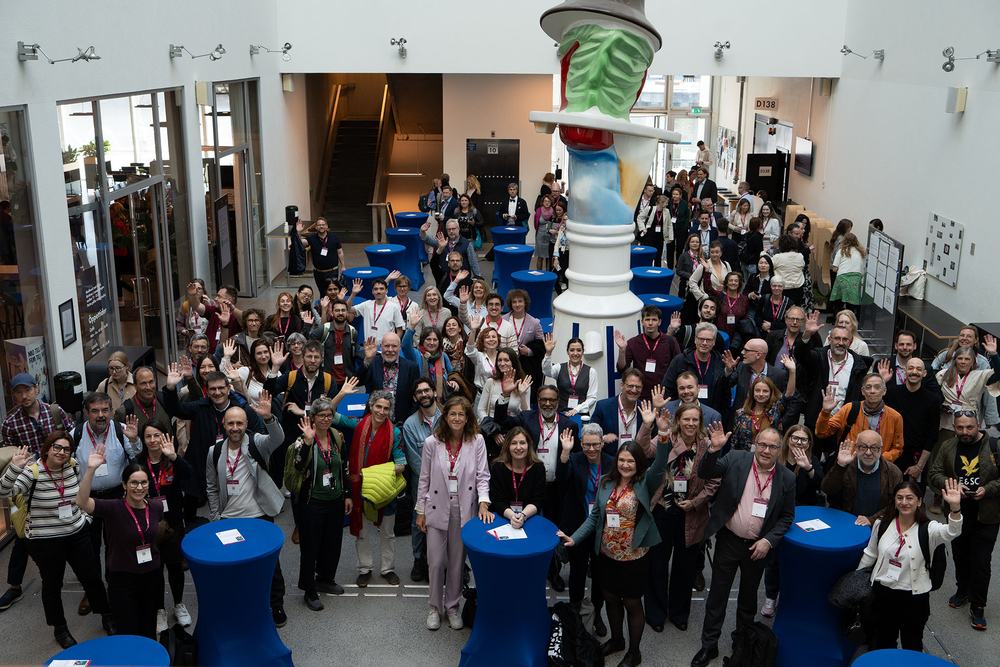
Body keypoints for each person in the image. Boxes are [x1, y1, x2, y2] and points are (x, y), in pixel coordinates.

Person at [557, 411, 674, 667]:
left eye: (631, 461)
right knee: (610, 598)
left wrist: (663, 433)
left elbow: (661, 464)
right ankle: (617, 639)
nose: (625, 465)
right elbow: (594, 517)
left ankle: (634, 652)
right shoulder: (607, 483)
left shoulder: (645, 481)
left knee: (631, 602)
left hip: (633, 555)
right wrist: (574, 539)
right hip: (606, 553)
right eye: (622, 460)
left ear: (638, 463)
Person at [690, 427, 796, 667]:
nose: (766, 450)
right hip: (728, 540)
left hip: (757, 548)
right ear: (755, 444)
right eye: (762, 445)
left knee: (748, 600)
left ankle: (742, 644)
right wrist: (714, 449)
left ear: (779, 450)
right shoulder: (736, 458)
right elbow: (706, 472)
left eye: (772, 447)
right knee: (717, 595)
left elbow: (787, 517)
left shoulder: (787, 478)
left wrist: (768, 541)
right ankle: (709, 645)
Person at [0, 432, 115, 648]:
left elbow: (82, 493)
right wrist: (15, 467)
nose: (62, 452)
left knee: (92, 577)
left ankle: (107, 616)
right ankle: (60, 628)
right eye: (57, 447)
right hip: (45, 541)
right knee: (52, 584)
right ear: (47, 448)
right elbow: (3, 491)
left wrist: (86, 519)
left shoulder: (72, 466)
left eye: (66, 449)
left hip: (76, 534)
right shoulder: (32, 472)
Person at [204, 396, 287, 626]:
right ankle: (239, 603)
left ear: (245, 425)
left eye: (239, 423)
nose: (235, 428)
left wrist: (268, 417)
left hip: (259, 515)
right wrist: (215, 516)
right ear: (224, 424)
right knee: (233, 564)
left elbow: (278, 438)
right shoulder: (215, 451)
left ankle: (276, 604)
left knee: (270, 562)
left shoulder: (256, 442)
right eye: (231, 424)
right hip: (229, 518)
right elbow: (211, 486)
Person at [416, 396, 493, 631]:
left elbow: (483, 475)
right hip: (437, 506)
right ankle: (434, 607)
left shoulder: (477, 440)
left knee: (458, 563)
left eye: (461, 414)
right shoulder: (432, 442)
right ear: (445, 417)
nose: (457, 418)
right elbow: (424, 479)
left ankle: (452, 607)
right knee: (437, 562)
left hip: (464, 506)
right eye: (452, 414)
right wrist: (420, 511)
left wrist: (483, 502)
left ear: (467, 417)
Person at [643, 403, 721, 634]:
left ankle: (679, 613)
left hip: (691, 514)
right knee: (657, 563)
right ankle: (656, 613)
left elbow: (714, 481)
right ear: (678, 420)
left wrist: (696, 502)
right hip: (662, 510)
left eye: (695, 420)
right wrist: (650, 427)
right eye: (686, 419)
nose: (690, 424)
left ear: (700, 423)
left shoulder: (707, 445)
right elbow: (642, 450)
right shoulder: (666, 438)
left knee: (684, 567)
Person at [858, 480, 963, 650]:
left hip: (914, 599)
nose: (904, 502)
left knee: (912, 644)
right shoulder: (881, 524)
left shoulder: (929, 529)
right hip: (883, 595)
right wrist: (857, 582)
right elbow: (870, 554)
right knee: (884, 642)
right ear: (894, 500)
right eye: (899, 498)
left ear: (920, 501)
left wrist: (955, 507)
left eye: (909, 498)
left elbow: (953, 532)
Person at [494, 384, 580, 591]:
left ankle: (554, 571)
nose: (547, 403)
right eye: (543, 400)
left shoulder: (570, 425)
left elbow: (574, 459)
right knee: (523, 529)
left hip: (557, 488)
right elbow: (502, 421)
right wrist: (505, 395)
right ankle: (524, 569)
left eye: (551, 400)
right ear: (538, 402)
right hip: (528, 487)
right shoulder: (527, 418)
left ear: (558, 402)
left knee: (552, 532)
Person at [161, 362, 266, 526]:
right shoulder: (201, 406)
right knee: (191, 504)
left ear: (229, 388)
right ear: (207, 391)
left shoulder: (242, 409)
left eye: (221, 388)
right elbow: (177, 409)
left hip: (233, 465)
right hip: (201, 462)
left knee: (229, 505)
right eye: (212, 389)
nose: (217, 393)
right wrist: (169, 388)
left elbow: (259, 434)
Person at [77, 445, 163, 639]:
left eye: (143, 483)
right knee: (127, 630)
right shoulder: (112, 508)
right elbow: (82, 502)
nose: (139, 487)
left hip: (151, 576)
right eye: (133, 483)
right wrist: (90, 470)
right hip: (123, 579)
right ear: (124, 485)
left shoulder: (156, 507)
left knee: (149, 627)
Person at [330, 379, 405, 587]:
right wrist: (342, 394)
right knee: (362, 533)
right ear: (370, 406)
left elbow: (401, 464)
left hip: (384, 489)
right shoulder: (357, 425)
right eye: (378, 406)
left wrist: (375, 474)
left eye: (386, 408)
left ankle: (388, 569)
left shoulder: (395, 433)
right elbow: (330, 413)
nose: (382, 411)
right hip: (358, 489)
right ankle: (365, 568)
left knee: (388, 533)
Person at [928, 411, 998, 630]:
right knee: (960, 554)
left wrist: (987, 489)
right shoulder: (948, 446)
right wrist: (952, 485)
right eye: (960, 428)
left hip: (986, 515)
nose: (964, 432)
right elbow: (935, 473)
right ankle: (962, 590)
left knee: (981, 561)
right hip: (957, 513)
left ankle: (978, 605)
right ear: (954, 426)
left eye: (969, 427)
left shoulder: (995, 446)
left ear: (979, 425)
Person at [71, 393, 143, 604]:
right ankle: (92, 591)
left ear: (111, 411)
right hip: (88, 500)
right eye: (95, 411)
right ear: (86, 413)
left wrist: (134, 439)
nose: (100, 415)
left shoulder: (121, 430)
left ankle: (115, 587)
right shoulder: (75, 434)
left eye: (104, 410)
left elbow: (137, 453)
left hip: (115, 498)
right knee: (89, 548)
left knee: (115, 545)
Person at [288, 397, 352, 611]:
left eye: (329, 415)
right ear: (312, 417)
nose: (326, 419)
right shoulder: (302, 440)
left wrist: (348, 495)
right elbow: (297, 467)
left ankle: (325, 578)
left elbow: (344, 466)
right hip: (311, 502)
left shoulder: (337, 436)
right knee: (310, 547)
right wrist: (307, 443)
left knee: (332, 543)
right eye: (321, 415)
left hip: (334, 499)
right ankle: (309, 589)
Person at [760, 425, 825, 617]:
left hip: (805, 514)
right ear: (787, 440)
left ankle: (796, 597)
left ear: (809, 443)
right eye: (795, 438)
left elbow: (821, 484)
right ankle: (771, 597)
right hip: (777, 512)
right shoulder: (776, 458)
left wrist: (808, 468)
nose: (799, 442)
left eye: (804, 439)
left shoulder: (811, 460)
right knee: (774, 560)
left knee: (801, 558)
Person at [557, 423, 615, 636]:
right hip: (577, 526)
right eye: (586, 445)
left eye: (595, 445)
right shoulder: (574, 459)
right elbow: (561, 479)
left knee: (599, 575)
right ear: (580, 444)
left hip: (603, 528)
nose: (591, 449)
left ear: (602, 444)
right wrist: (565, 451)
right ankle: (575, 612)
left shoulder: (611, 463)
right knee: (577, 573)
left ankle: (596, 614)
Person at [135, 421, 192, 632]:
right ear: (143, 440)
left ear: (164, 437)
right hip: (148, 526)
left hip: (174, 523)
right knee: (154, 569)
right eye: (148, 436)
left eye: (156, 435)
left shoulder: (172, 461)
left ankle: (178, 604)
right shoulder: (139, 463)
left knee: (175, 566)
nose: (152, 440)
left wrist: (174, 456)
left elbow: (189, 475)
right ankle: (159, 609)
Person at [264, 340, 338, 487]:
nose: (312, 360)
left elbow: (330, 411)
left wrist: (303, 411)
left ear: (321, 359)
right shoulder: (290, 377)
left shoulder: (329, 381)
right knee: (293, 470)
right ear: (302, 357)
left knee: (315, 471)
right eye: (309, 356)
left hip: (319, 434)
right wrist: (275, 367)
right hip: (291, 434)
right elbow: (267, 394)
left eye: (316, 357)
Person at [795, 316, 873, 449]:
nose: (840, 343)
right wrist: (807, 333)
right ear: (830, 340)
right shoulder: (819, 357)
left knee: (837, 462)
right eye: (837, 338)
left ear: (849, 342)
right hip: (816, 419)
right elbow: (802, 355)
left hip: (844, 423)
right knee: (812, 458)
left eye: (845, 339)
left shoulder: (859, 364)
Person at [878, 358, 941, 489]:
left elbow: (932, 435)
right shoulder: (890, 393)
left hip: (916, 458)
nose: (914, 372)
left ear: (924, 374)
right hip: (891, 454)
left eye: (919, 369)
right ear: (905, 371)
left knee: (915, 499)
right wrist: (882, 382)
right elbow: (870, 403)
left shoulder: (933, 400)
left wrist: (920, 466)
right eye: (911, 368)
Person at [401, 378, 441, 583]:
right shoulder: (409, 425)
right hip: (422, 484)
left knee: (448, 521)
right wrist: (432, 480)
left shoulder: (449, 418)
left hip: (448, 484)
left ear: (434, 392)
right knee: (419, 523)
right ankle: (418, 559)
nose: (424, 395)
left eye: (427, 391)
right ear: (415, 397)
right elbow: (414, 461)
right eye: (419, 392)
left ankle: (450, 561)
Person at [815, 373, 905, 463]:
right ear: (862, 391)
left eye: (877, 387)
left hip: (880, 467)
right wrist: (825, 412)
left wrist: (880, 458)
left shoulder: (895, 417)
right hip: (849, 464)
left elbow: (897, 448)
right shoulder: (850, 409)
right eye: (868, 387)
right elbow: (821, 433)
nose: (872, 391)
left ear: (884, 391)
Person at [822, 431, 903, 526]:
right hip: (844, 523)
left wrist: (872, 520)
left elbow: (895, 505)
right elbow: (827, 489)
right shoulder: (845, 466)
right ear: (856, 447)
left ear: (880, 449)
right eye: (863, 447)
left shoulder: (893, 473)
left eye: (873, 448)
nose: (868, 453)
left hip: (878, 526)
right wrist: (840, 466)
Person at [932, 326, 1000, 428]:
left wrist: (990, 418)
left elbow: (989, 392)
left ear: (973, 362)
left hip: (969, 416)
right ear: (955, 360)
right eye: (962, 335)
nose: (963, 362)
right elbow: (932, 384)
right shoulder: (944, 365)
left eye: (969, 336)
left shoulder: (980, 370)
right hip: (946, 418)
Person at [727, 355, 796, 451]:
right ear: (752, 392)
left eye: (765, 391)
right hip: (746, 458)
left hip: (769, 456)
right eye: (758, 390)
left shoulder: (775, 410)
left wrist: (792, 371)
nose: (761, 394)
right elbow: (735, 442)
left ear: (771, 393)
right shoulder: (741, 413)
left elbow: (789, 394)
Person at [614, 306, 683, 402]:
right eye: (647, 319)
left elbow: (679, 367)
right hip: (640, 396)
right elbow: (622, 370)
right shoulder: (633, 342)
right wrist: (622, 350)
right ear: (642, 322)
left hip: (665, 396)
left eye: (654, 320)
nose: (650, 323)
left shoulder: (670, 341)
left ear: (659, 322)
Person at [662, 323, 728, 415]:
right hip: (683, 416)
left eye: (708, 340)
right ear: (695, 340)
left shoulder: (721, 363)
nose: (704, 343)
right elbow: (667, 390)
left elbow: (725, 396)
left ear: (714, 342)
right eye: (701, 339)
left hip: (711, 418)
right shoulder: (680, 360)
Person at [357, 332, 420, 424]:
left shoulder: (411, 367)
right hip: (375, 421)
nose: (390, 350)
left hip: (401, 422)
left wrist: (410, 421)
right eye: (386, 346)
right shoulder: (373, 363)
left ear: (399, 347)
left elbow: (416, 398)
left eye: (394, 346)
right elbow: (359, 382)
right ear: (381, 347)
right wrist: (367, 360)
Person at [490, 427, 546, 528]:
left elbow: (537, 500)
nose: (518, 447)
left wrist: (523, 515)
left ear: (529, 445)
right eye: (514, 443)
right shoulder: (498, 467)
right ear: (507, 446)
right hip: (502, 520)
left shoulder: (538, 468)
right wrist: (512, 516)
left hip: (529, 520)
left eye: (522, 443)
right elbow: (497, 499)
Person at [543, 334, 599, 416]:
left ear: (583, 352)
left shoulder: (591, 371)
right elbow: (546, 372)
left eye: (579, 350)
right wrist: (548, 353)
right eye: (572, 350)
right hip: (561, 413)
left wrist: (577, 409)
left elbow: (592, 398)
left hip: (581, 415)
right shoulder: (559, 367)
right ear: (567, 352)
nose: (575, 353)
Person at [504, 289, 546, 390]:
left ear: (525, 303)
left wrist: (529, 351)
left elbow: (542, 345)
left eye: (520, 301)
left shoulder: (534, 322)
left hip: (526, 367)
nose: (517, 304)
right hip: (506, 364)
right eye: (514, 302)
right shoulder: (503, 320)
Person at [221, 338, 281, 409]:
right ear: (254, 356)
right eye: (259, 353)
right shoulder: (247, 371)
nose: (263, 356)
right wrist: (227, 357)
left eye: (265, 352)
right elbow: (225, 377)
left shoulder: (277, 372)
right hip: (252, 413)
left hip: (273, 413)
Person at [311, 297, 358, 385]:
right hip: (326, 379)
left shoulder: (353, 332)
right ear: (332, 313)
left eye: (343, 310)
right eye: (337, 310)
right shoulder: (324, 329)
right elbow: (308, 345)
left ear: (347, 313)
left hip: (346, 381)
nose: (340, 313)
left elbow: (354, 355)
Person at [476, 348, 530, 421]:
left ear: (513, 362)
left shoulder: (523, 384)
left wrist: (522, 394)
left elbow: (526, 414)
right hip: (493, 425)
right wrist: (488, 423)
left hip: (513, 426)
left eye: (506, 360)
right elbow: (481, 409)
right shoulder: (491, 381)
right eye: (499, 360)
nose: (502, 363)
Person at [293, 217, 344, 293]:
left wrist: (343, 266)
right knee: (323, 293)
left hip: (332, 271)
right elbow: (300, 243)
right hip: (318, 272)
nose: (321, 226)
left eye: (323, 225)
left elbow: (340, 252)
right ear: (316, 227)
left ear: (326, 226)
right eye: (319, 225)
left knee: (333, 293)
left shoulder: (334, 238)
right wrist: (298, 232)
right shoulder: (312, 239)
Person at [116, 367, 172, 436]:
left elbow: (188, 399)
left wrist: (189, 379)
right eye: (143, 383)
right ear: (135, 386)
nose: (148, 387)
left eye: (151, 382)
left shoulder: (166, 399)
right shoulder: (124, 411)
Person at [187, 284, 243, 354]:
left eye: (219, 296)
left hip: (228, 358)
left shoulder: (236, 315)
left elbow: (245, 318)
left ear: (229, 299)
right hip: (210, 356)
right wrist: (192, 296)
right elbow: (197, 306)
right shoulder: (213, 310)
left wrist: (232, 308)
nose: (215, 299)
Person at [346, 277, 404, 342]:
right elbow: (348, 309)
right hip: (369, 347)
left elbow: (400, 330)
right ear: (372, 291)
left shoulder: (394, 307)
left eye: (381, 289)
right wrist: (353, 293)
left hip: (386, 347)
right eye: (376, 289)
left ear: (386, 291)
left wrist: (392, 343)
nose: (378, 291)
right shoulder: (367, 305)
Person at [700, 269, 749, 344]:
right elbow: (708, 289)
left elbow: (746, 317)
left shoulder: (744, 299)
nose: (733, 283)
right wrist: (707, 272)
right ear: (726, 283)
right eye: (731, 280)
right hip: (719, 334)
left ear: (739, 284)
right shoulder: (720, 296)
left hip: (736, 337)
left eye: (736, 281)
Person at [770, 235, 806, 306]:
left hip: (784, 288)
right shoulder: (800, 256)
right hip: (798, 287)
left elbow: (770, 267)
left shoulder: (777, 257)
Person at [176, 278, 211, 344]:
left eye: (199, 288)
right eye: (194, 289)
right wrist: (184, 331)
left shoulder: (210, 303)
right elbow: (179, 326)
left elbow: (218, 322)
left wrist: (209, 307)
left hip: (209, 342)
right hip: (193, 343)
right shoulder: (185, 305)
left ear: (203, 290)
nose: (196, 291)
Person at [675, 234, 703, 319]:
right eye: (692, 242)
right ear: (689, 244)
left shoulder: (702, 256)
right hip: (686, 286)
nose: (695, 244)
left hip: (699, 286)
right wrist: (690, 276)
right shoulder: (683, 256)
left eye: (697, 242)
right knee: (685, 308)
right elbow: (678, 270)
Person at [636, 194, 668, 265]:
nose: (667, 204)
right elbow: (639, 218)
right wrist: (643, 229)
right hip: (649, 236)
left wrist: (669, 237)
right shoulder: (649, 209)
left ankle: (657, 273)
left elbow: (669, 224)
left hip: (660, 236)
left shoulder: (666, 211)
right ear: (661, 203)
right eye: (666, 203)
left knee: (658, 256)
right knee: (648, 255)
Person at [666, 187, 690, 268]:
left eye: (676, 194)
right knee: (670, 248)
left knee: (679, 248)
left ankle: (679, 265)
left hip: (681, 227)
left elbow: (687, 215)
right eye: (673, 194)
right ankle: (670, 265)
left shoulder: (684, 203)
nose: (675, 196)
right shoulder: (669, 203)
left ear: (680, 195)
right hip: (671, 228)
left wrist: (685, 226)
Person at [534, 194, 556, 270]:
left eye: (548, 201)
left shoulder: (554, 211)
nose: (547, 203)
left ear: (551, 203)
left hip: (550, 236)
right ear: (542, 202)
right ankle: (539, 274)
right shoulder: (538, 210)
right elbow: (536, 223)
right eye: (545, 201)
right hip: (540, 235)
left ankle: (548, 274)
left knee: (548, 257)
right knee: (540, 256)